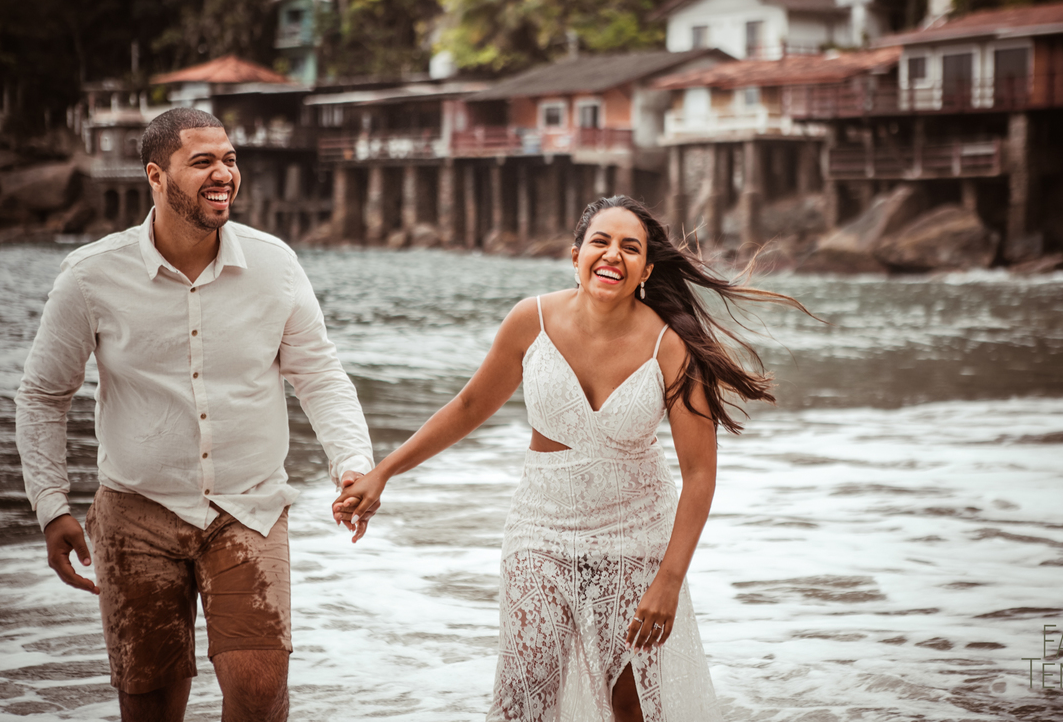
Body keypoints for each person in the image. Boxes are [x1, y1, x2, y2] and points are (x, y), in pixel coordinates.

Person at [334, 195, 811, 721]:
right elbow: (469, 406)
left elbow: (699, 475)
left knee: (631, 701)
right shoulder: (529, 320)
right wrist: (383, 472)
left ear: (646, 269)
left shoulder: (671, 347)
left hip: (634, 532)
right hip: (541, 529)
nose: (613, 255)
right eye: (600, 242)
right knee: (526, 692)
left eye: (630, 248)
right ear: (575, 254)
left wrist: (669, 582)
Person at [15, 107, 375, 722]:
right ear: (156, 176)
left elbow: (319, 374)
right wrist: (52, 504)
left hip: (250, 510)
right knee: (149, 704)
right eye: (202, 161)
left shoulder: (275, 265)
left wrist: (353, 463)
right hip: (134, 514)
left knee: (261, 698)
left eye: (230, 159)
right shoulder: (90, 276)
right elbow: (44, 395)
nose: (223, 174)